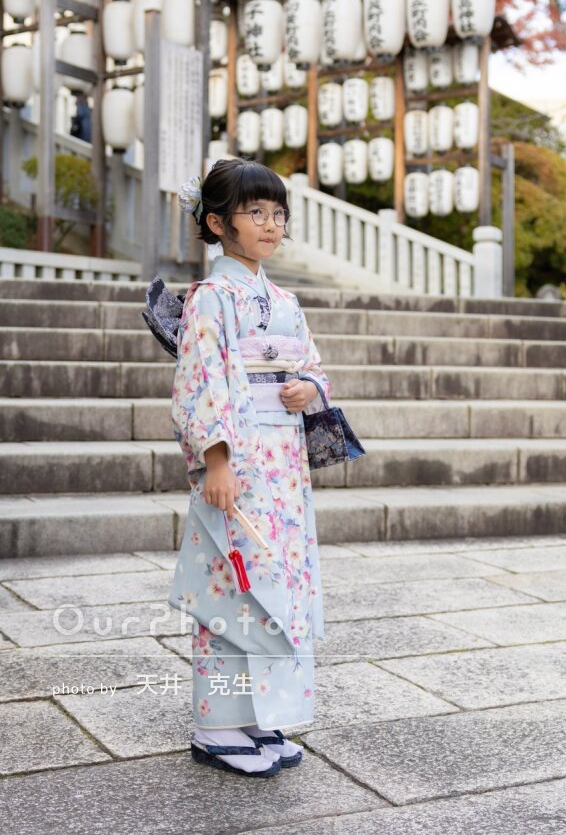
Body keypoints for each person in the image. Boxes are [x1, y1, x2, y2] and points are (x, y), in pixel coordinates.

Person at [168, 158, 330, 778]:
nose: (270, 224)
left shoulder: (285, 302)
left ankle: (261, 713)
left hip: (283, 464)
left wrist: (309, 388)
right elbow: (202, 379)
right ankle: (216, 724)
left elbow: (312, 365)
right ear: (218, 223)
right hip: (237, 458)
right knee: (232, 585)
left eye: (278, 213)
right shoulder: (212, 298)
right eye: (254, 212)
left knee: (276, 584)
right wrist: (216, 460)